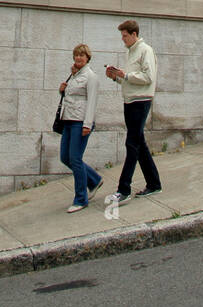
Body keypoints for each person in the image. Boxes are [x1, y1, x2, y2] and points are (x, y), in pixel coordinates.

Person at [105, 19, 162, 203]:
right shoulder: (130, 51)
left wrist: (125, 75)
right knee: (139, 144)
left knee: (132, 143)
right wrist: (116, 77)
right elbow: (130, 79)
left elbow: (148, 77)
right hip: (130, 100)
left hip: (141, 100)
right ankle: (154, 184)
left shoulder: (145, 50)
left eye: (125, 36)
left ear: (134, 34)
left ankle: (124, 189)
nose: (123, 39)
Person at [58, 44, 102, 212]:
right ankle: (94, 179)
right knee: (65, 157)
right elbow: (71, 97)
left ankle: (81, 198)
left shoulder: (91, 77)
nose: (78, 58)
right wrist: (61, 90)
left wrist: (87, 124)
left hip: (80, 122)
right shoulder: (74, 76)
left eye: (82, 56)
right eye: (76, 55)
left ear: (87, 58)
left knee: (75, 158)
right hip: (68, 120)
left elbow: (91, 101)